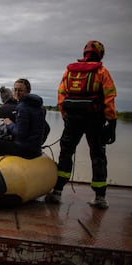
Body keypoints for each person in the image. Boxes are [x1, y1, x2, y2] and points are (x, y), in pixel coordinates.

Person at [45, 40, 117, 209]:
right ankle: (100, 197)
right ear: (100, 54)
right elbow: (109, 98)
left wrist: (65, 117)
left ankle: (57, 192)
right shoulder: (102, 71)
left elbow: (61, 96)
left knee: (66, 153)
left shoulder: (69, 72)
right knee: (98, 155)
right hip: (95, 119)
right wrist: (112, 123)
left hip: (72, 119)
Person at [0, 78, 47, 159]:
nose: (17, 93)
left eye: (20, 90)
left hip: (24, 150)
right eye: (15, 90)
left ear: (28, 91)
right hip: (36, 150)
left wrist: (9, 123)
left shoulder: (22, 107)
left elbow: (20, 133)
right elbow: (47, 129)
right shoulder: (40, 107)